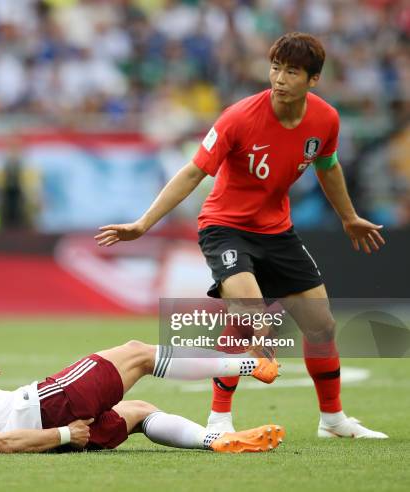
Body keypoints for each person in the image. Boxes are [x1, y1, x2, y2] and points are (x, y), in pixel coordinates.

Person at [95, 32, 387, 439]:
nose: (279, 78)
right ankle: (219, 418)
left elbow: (328, 166)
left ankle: (333, 421)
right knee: (251, 317)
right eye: (275, 68)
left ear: (313, 79)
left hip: (278, 232)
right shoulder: (238, 117)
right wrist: (144, 223)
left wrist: (349, 216)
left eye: (292, 71)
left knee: (322, 326)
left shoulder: (326, 120)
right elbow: (193, 171)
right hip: (225, 228)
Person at [0, 340, 283, 455]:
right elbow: (1, 443)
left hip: (42, 413)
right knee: (137, 354)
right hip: (49, 407)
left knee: (141, 412)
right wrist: (65, 433)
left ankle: (214, 440)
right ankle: (249, 364)